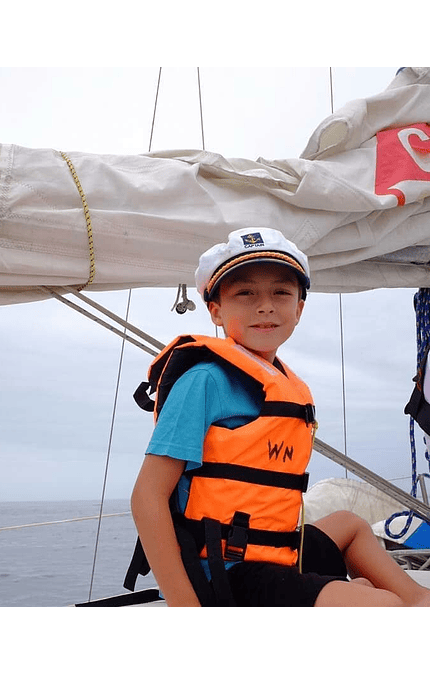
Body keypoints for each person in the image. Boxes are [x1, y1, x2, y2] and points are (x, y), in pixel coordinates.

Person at [129, 227, 430, 607]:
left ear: (299, 309)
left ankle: (419, 597)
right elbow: (147, 497)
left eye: (281, 293)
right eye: (245, 293)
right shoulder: (203, 381)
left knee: (349, 525)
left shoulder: (287, 384)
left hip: (277, 551)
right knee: (382, 607)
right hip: (229, 571)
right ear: (216, 311)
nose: (265, 305)